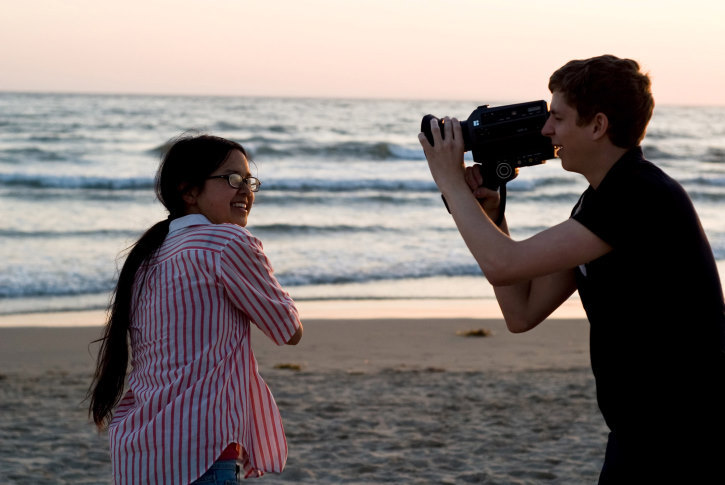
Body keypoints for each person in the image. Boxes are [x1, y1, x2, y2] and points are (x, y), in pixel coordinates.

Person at [419, 55, 725, 482]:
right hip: (639, 436)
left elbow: (502, 264)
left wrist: (449, 180)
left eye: (558, 118)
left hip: (687, 438)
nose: (546, 130)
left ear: (597, 126)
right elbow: (521, 312)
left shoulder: (639, 195)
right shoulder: (597, 204)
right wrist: (490, 212)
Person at [88, 134, 303, 485]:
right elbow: (289, 329)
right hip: (200, 451)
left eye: (249, 181)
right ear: (189, 191)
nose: (246, 190)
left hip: (137, 451)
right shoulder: (228, 243)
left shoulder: (148, 256)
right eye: (232, 179)